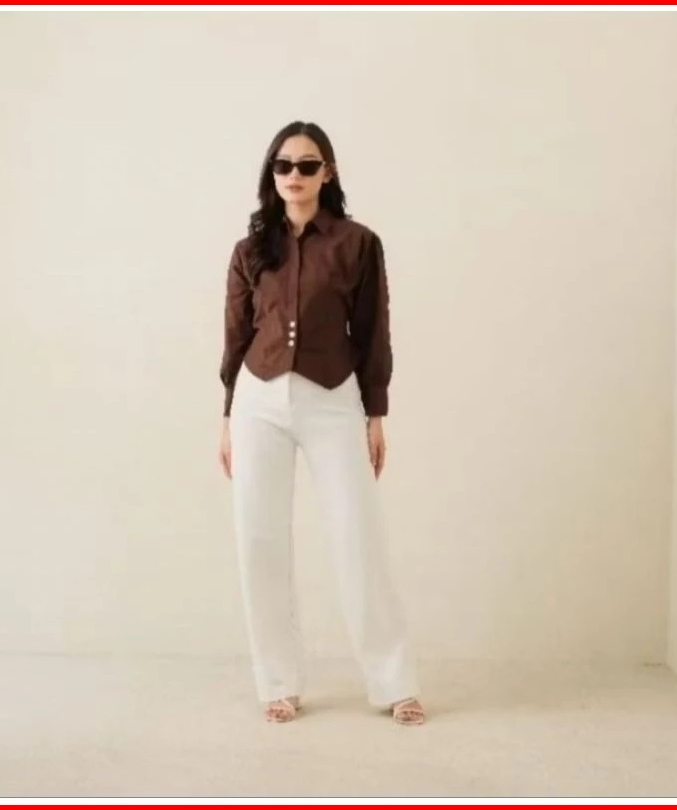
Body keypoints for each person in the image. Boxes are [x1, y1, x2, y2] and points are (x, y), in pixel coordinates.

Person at [218, 121, 425, 726]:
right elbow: (235, 336)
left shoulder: (358, 244)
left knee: (358, 536)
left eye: (308, 165)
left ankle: (394, 682)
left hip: (333, 398)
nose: (295, 175)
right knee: (259, 540)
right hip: (257, 400)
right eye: (284, 165)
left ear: (327, 172)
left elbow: (374, 332)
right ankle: (278, 682)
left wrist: (375, 412)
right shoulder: (251, 250)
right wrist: (227, 416)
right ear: (272, 173)